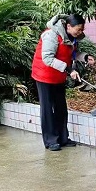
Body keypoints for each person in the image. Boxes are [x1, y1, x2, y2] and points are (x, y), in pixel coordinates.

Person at [31, 13, 86, 151]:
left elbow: (73, 53)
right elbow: (47, 58)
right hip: (44, 75)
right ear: (69, 26)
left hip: (59, 75)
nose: (80, 32)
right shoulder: (51, 35)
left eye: (82, 29)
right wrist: (68, 69)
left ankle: (63, 138)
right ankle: (51, 141)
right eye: (78, 29)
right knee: (47, 108)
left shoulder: (71, 37)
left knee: (61, 107)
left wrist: (85, 57)